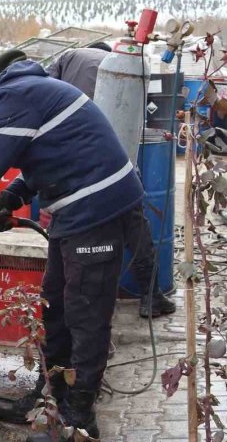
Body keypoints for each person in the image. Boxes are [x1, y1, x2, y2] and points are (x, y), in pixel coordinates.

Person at [0, 50, 147, 441]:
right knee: (54, 307)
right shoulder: (16, 96)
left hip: (99, 208)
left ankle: (79, 416)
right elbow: (46, 155)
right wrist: (12, 197)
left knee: (85, 314)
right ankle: (52, 395)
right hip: (76, 208)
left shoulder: (11, 96)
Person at [47, 41, 176, 319]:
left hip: (75, 160)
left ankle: (82, 298)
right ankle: (151, 296)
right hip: (118, 161)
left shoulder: (69, 57)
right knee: (135, 225)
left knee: (78, 227)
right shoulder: (127, 70)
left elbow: (45, 92)